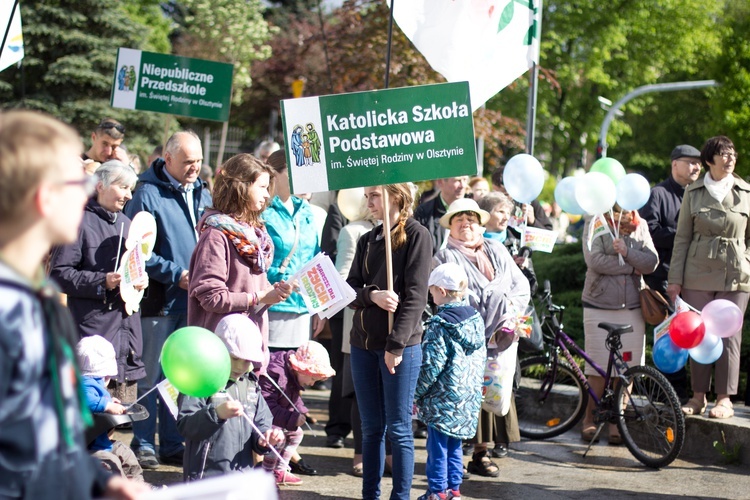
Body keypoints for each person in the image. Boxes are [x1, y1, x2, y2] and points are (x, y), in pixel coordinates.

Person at [0, 109, 145, 498]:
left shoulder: (41, 301)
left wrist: (100, 482)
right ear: (45, 196)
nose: (86, 190)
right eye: (75, 182)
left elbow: (52, 434)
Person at [124, 130, 212, 469]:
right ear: (168, 158)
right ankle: (143, 441)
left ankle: (173, 441)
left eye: (199, 160)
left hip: (193, 300)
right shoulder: (147, 193)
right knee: (149, 374)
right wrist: (176, 273)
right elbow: (137, 251)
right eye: (188, 161)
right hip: (159, 299)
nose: (195, 167)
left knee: (178, 375)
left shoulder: (203, 191)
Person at [433, 198, 530, 478]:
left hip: (500, 336)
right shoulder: (444, 257)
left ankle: (481, 453)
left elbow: (520, 285)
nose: (466, 224)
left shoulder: (497, 249)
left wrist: (508, 315)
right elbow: (445, 296)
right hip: (464, 339)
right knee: (462, 394)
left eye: (471, 220)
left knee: (491, 391)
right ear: (450, 226)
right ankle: (456, 460)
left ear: (480, 224)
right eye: (459, 220)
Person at [347, 184, 432, 500]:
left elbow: (416, 297)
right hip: (362, 345)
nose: (367, 201)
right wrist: (373, 296)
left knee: (399, 429)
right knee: (371, 430)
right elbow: (350, 290)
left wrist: (396, 345)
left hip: (400, 347)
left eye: (374, 195)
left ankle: (401, 496)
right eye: (366, 195)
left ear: (395, 196)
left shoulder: (417, 235)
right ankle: (370, 494)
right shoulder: (367, 239)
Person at [49, 160, 146, 405]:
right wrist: (102, 281)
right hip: (93, 333)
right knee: (91, 415)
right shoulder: (77, 222)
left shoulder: (128, 225)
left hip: (126, 334)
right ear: (100, 186)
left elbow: (133, 269)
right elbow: (59, 275)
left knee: (118, 416)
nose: (128, 194)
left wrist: (139, 281)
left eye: (130, 188)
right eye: (122, 186)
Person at [667, 136, 750, 419]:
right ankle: (699, 396)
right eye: (723, 154)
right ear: (709, 161)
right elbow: (682, 239)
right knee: (698, 333)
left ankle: (725, 398)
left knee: (729, 336)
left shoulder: (746, 192)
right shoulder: (694, 192)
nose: (730, 158)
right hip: (696, 274)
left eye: (732, 154)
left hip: (735, 274)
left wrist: (746, 263)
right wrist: (675, 279)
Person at [188, 153, 292, 368]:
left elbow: (254, 294)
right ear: (242, 187)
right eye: (262, 187)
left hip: (249, 350)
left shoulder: (256, 235)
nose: (267, 195)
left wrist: (273, 294)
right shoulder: (216, 236)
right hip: (221, 355)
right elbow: (211, 298)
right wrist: (257, 297)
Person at [176, 314, 284, 481]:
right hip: (205, 477)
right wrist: (216, 414)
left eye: (247, 360)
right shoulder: (200, 380)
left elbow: (262, 421)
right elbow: (186, 425)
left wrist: (265, 438)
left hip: (241, 478)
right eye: (235, 358)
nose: (241, 366)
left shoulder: (250, 384)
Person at [581, 207, 658, 441]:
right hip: (599, 304)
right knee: (597, 368)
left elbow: (652, 261)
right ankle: (589, 418)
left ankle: (618, 420)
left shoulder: (640, 224)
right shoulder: (594, 221)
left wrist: (627, 252)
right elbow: (594, 260)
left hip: (632, 306)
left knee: (627, 368)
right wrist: (632, 268)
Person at [415, 263, 486, 500]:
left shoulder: (439, 324)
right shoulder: (475, 319)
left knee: (437, 448)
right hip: (468, 395)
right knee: (455, 445)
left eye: (432, 291)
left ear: (442, 292)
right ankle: (454, 490)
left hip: (442, 396)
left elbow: (431, 365)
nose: (431, 296)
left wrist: (416, 392)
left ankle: (436, 491)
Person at [639, 144, 702, 403]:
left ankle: (690, 394)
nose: (696, 167)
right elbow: (650, 233)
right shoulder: (658, 194)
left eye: (699, 163)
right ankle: (672, 397)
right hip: (663, 279)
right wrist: (686, 236)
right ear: (674, 164)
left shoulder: (701, 194)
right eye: (690, 162)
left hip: (696, 279)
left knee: (693, 337)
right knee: (670, 340)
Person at [263, 150, 323, 351]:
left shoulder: (305, 210)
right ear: (275, 173)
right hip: (273, 305)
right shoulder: (263, 211)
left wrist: (319, 307)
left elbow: (314, 257)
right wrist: (284, 280)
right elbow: (256, 264)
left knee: (296, 376)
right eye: (293, 172)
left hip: (303, 308)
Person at [260, 340, 335, 486]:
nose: (312, 383)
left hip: (276, 416)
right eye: (313, 378)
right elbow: (267, 407)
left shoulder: (293, 376)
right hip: (262, 418)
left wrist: (301, 411)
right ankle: (266, 472)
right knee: (278, 436)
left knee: (297, 433)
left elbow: (293, 398)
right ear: (301, 369)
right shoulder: (275, 375)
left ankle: (280, 469)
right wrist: (292, 418)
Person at [77, 336, 144, 483]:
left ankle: (138, 486)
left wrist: (108, 401)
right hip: (85, 446)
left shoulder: (94, 383)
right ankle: (121, 492)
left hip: (100, 442)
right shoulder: (83, 383)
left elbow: (94, 398)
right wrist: (106, 405)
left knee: (125, 453)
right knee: (110, 462)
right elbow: (84, 399)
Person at [414, 176, 469, 254]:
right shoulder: (423, 213)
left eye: (465, 180)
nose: (463, 185)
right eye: (457, 180)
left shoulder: (473, 211)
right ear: (440, 182)